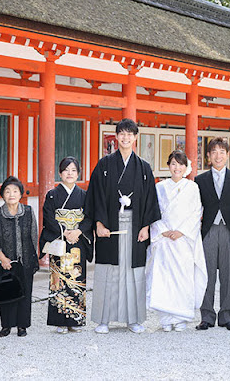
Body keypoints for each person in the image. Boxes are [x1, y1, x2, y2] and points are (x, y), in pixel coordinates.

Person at [85, 118, 161, 334]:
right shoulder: (105, 165)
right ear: (116, 136)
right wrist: (98, 223)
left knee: (133, 273)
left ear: (136, 138)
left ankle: (133, 319)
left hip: (135, 226)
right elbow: (96, 195)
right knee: (108, 272)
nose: (126, 137)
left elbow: (150, 200)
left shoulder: (144, 168)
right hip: (110, 226)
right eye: (122, 133)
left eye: (130, 134)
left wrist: (146, 226)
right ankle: (103, 319)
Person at [146, 150, 207, 332]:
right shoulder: (160, 187)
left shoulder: (192, 187)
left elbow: (196, 212)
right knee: (164, 278)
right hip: (164, 239)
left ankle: (181, 317)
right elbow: (153, 211)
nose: (177, 167)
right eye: (173, 163)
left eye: (180, 164)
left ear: (185, 167)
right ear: (168, 165)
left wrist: (181, 231)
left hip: (183, 240)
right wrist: (163, 230)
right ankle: (165, 317)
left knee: (182, 277)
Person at [194, 137, 230, 331]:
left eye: (222, 152)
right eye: (214, 152)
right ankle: (206, 315)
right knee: (206, 275)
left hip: (229, 231)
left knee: (227, 274)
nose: (218, 155)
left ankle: (226, 315)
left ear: (227, 155)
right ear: (208, 156)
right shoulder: (200, 180)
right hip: (207, 230)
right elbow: (195, 209)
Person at [39, 156, 94, 334]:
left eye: (73, 170)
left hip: (78, 242)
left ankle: (76, 319)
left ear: (78, 173)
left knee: (77, 280)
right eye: (66, 170)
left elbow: (89, 217)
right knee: (59, 281)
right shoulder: (53, 194)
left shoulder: (84, 195)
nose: (69, 173)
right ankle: (60, 321)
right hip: (60, 242)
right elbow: (48, 217)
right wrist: (64, 232)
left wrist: (78, 231)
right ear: (60, 173)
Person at [0, 176, 39, 337]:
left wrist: (30, 256)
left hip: (25, 260)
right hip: (5, 262)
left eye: (15, 191)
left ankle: (22, 325)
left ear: (20, 193)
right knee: (6, 293)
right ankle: (6, 325)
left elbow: (34, 235)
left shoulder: (28, 212)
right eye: (7, 191)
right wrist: (1, 257)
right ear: (2, 194)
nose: (11, 194)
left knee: (25, 292)